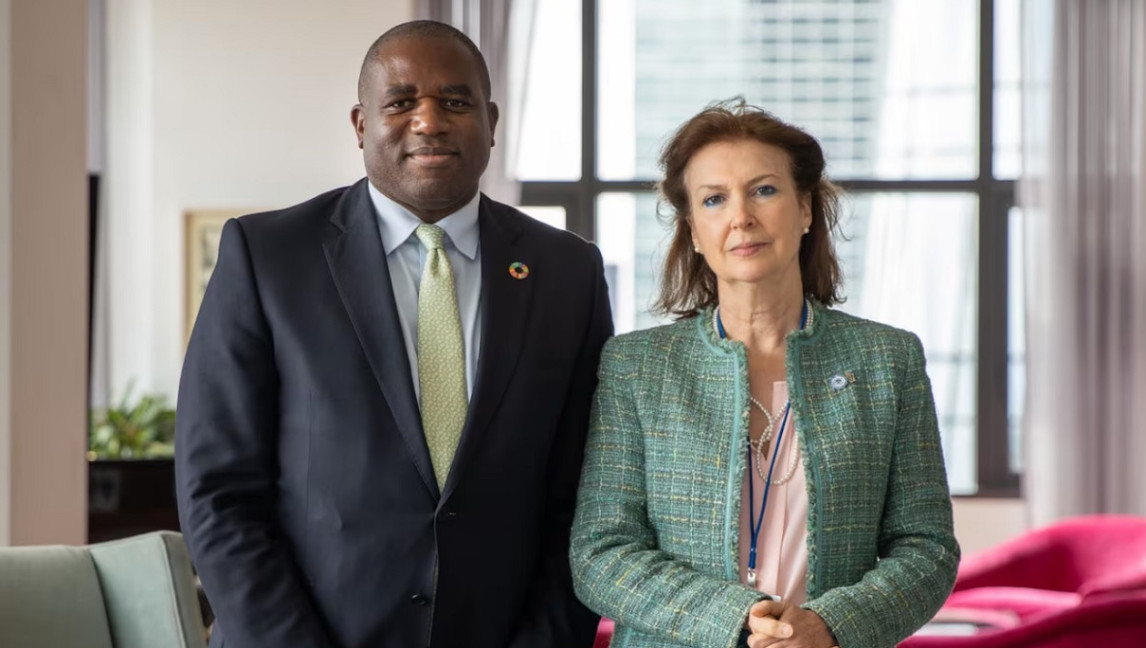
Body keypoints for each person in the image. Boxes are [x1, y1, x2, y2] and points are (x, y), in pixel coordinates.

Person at [176, 21, 611, 648]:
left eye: (455, 102)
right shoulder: (268, 257)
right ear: (360, 124)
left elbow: (585, 497)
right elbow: (216, 492)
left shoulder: (567, 271)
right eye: (401, 102)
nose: (429, 122)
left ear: (492, 121)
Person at [569, 101, 959, 648]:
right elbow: (601, 553)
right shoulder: (638, 367)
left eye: (764, 190)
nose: (741, 217)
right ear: (696, 232)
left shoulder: (887, 360)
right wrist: (737, 616)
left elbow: (927, 547)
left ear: (804, 210)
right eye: (714, 199)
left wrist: (831, 625)